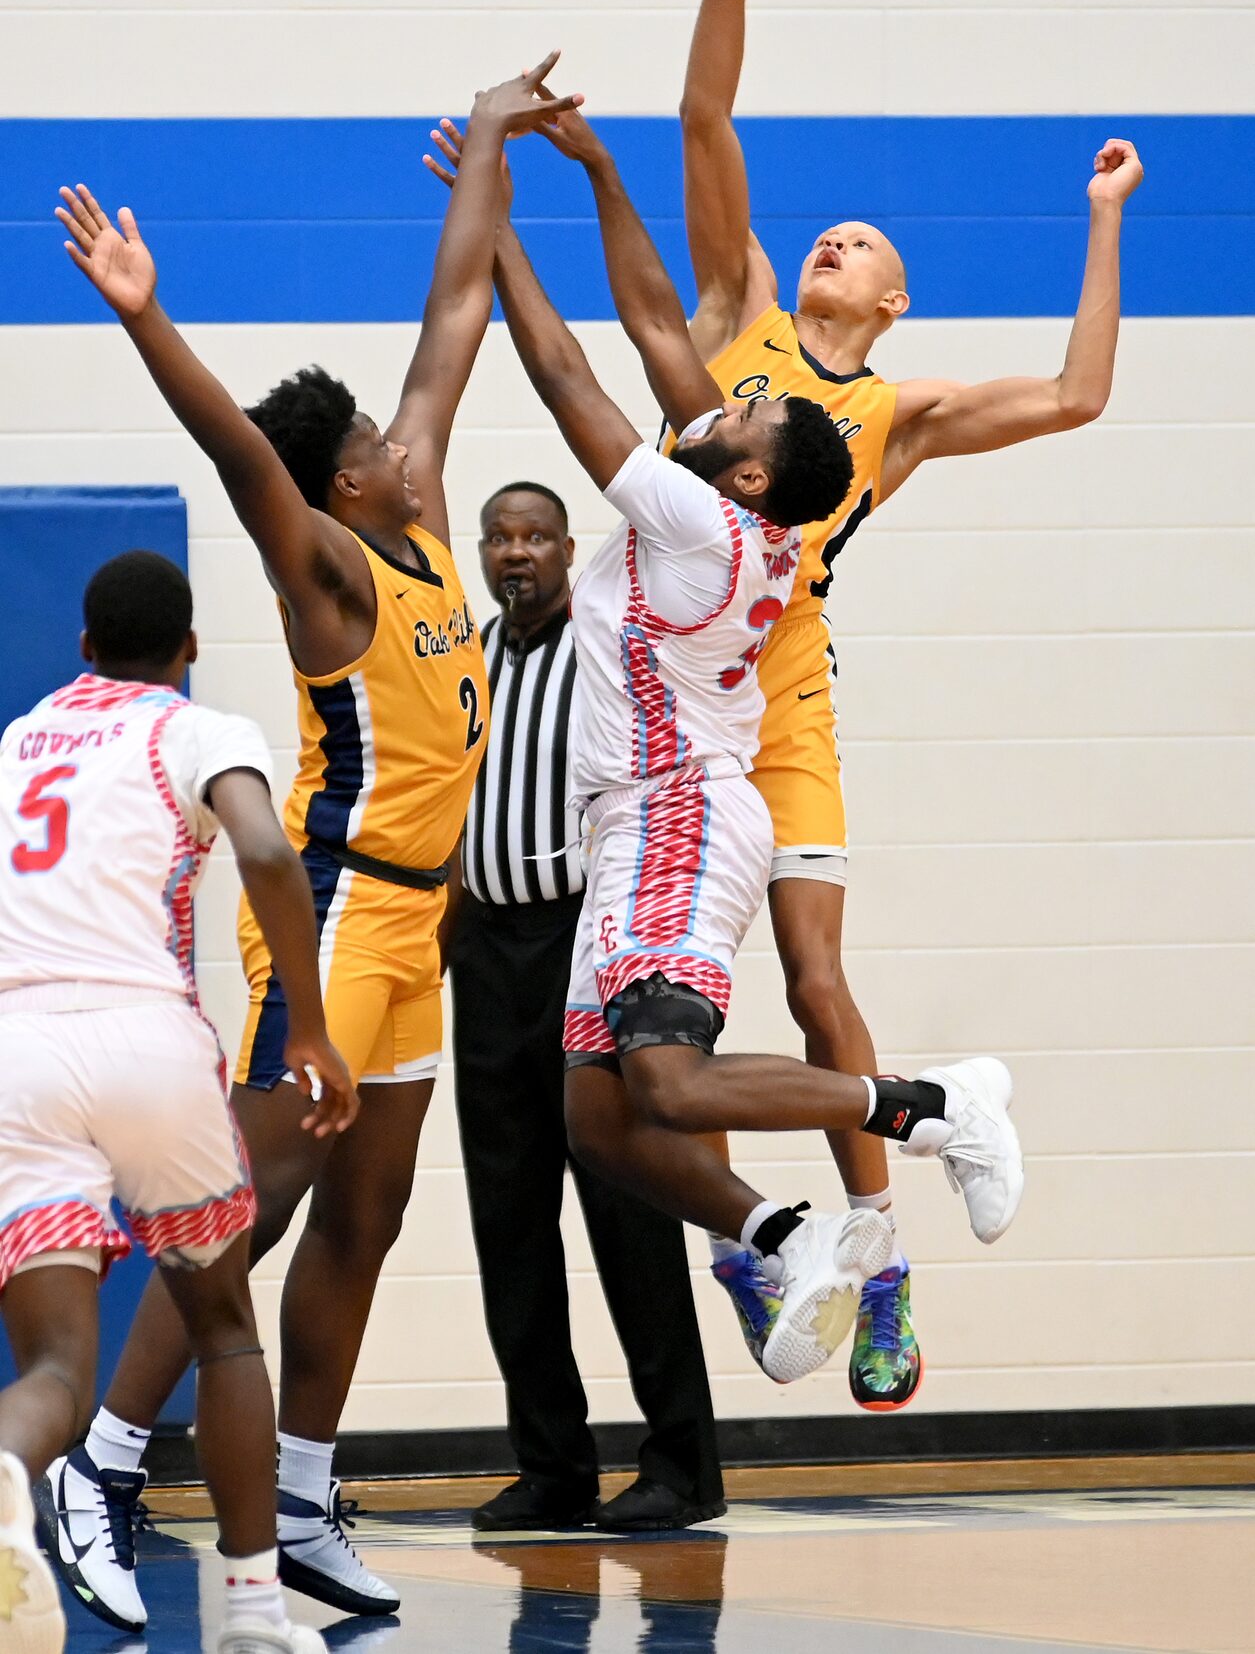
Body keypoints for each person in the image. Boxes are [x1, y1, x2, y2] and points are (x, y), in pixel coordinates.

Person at [46, 58, 581, 1626]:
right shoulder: (332, 569)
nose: (415, 438)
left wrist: (486, 135)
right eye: (380, 436)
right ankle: (104, 1455)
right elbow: (240, 450)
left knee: (366, 1213)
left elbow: (458, 310)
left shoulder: (414, 524)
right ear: (344, 474)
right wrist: (149, 317)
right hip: (337, 915)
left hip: (422, 931)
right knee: (251, 1193)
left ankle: (294, 1492)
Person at [425, 102, 1023, 1386]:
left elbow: (566, 376)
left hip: (681, 819)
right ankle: (779, 1231)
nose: (712, 415)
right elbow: (637, 331)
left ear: (747, 480)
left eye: (737, 425)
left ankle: (925, 1105)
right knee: (600, 1122)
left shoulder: (698, 519)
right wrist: (516, 217)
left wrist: (491, 226)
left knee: (672, 1088)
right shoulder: (723, 505)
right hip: (626, 824)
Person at [670, 0, 1144, 1410]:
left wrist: (1100, 222)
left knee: (813, 978)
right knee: (648, 1015)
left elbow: (1077, 399)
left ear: (891, 300)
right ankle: (763, 1239)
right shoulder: (736, 304)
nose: (837, 238)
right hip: (666, 680)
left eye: (862, 242)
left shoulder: (905, 414)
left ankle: (876, 1247)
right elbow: (702, 115)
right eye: (830, 229)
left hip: (781, 683)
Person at [0, 550, 356, 1654]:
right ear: (190, 648)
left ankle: (10, 1472)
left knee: (57, 1368)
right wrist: (306, 1024)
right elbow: (262, 845)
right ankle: (252, 1610)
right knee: (223, 1325)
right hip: (145, 1042)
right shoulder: (198, 729)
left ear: (81, 649)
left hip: (17, 1050)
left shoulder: (18, 742)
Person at [446, 480, 723, 1534]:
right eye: (500, 539)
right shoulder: (466, 653)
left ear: (568, 549)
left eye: (535, 537)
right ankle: (551, 1464)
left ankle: (681, 1464)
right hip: (485, 950)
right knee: (506, 1215)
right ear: (481, 552)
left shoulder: (608, 646)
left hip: (584, 942)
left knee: (626, 1203)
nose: (516, 554)